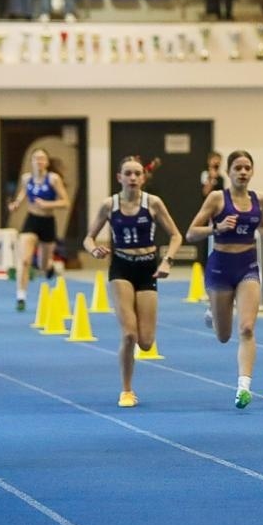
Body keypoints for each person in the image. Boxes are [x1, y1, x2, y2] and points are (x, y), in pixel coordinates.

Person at [186, 150, 263, 408]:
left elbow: (262, 227)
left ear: (252, 172)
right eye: (238, 168)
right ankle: (213, 310)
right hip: (220, 267)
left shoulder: (259, 199)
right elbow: (191, 233)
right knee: (223, 335)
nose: (242, 172)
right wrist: (217, 228)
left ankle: (244, 387)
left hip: (247, 266)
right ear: (229, 172)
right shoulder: (217, 198)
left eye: (247, 168)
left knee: (247, 328)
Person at [83, 157, 184, 407]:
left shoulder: (153, 203)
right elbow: (88, 238)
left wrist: (167, 261)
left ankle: (130, 378)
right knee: (129, 334)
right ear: (119, 177)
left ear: (143, 178)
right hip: (121, 267)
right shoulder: (110, 205)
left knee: (146, 343)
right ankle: (126, 390)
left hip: (148, 268)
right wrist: (94, 250)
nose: (132, 178)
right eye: (127, 173)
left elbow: (175, 235)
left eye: (137, 174)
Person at [6, 148, 69, 311]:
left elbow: (65, 202)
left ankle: (50, 268)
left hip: (47, 221)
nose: (39, 162)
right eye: (36, 158)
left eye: (42, 159)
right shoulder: (27, 179)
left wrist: (47, 204)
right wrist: (16, 205)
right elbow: (23, 194)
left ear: (47, 162)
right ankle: (21, 296)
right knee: (25, 260)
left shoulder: (53, 179)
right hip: (31, 221)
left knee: (42, 265)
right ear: (32, 161)